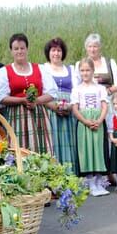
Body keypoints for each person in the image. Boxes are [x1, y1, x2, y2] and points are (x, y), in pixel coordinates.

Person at [0, 33, 57, 154]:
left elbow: (52, 93)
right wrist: (21, 100)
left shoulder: (40, 69)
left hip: (38, 115)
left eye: (22, 48)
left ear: (27, 49)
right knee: (18, 150)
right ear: (11, 51)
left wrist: (36, 101)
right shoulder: (4, 72)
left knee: (41, 149)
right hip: (16, 116)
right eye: (16, 49)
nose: (19, 51)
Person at [71, 58, 109, 196]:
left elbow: (105, 106)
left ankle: (100, 181)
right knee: (87, 151)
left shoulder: (100, 88)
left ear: (93, 71)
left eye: (88, 70)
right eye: (82, 70)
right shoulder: (77, 90)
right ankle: (90, 182)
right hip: (84, 123)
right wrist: (86, 121)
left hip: (98, 123)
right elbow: (75, 109)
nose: (85, 73)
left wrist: (99, 120)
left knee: (98, 151)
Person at [42, 37, 78, 172]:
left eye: (59, 50)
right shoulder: (43, 69)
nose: (56, 53)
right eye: (53, 50)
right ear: (48, 52)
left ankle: (71, 173)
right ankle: (56, 173)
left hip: (69, 109)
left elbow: (76, 90)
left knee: (69, 141)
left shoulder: (71, 69)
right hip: (50, 108)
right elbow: (41, 91)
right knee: (54, 141)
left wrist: (70, 106)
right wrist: (53, 106)